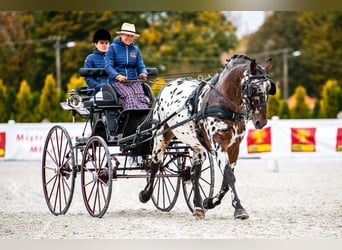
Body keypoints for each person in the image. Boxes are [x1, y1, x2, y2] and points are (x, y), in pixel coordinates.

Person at [105, 22, 149, 110]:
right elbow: (108, 66)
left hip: (133, 80)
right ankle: (130, 120)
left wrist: (143, 73)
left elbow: (140, 64)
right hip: (117, 81)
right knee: (129, 95)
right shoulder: (113, 48)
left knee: (141, 96)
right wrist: (117, 76)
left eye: (131, 36)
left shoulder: (135, 50)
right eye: (127, 35)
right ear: (121, 35)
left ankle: (143, 119)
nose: (129, 38)